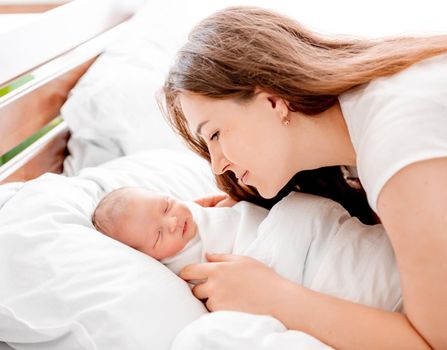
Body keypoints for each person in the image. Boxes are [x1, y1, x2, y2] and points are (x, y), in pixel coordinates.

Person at [161, 6, 447, 350]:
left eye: (216, 134)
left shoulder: (399, 150)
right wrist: (241, 214)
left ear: (271, 100)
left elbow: (435, 343)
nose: (217, 166)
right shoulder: (360, 130)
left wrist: (274, 297)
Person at [92, 186, 402, 312]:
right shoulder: (182, 268)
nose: (172, 221)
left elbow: (234, 214)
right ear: (148, 256)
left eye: (166, 206)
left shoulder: (192, 210)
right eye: (158, 235)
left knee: (377, 252)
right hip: (296, 267)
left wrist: (231, 203)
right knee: (375, 276)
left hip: (319, 234)